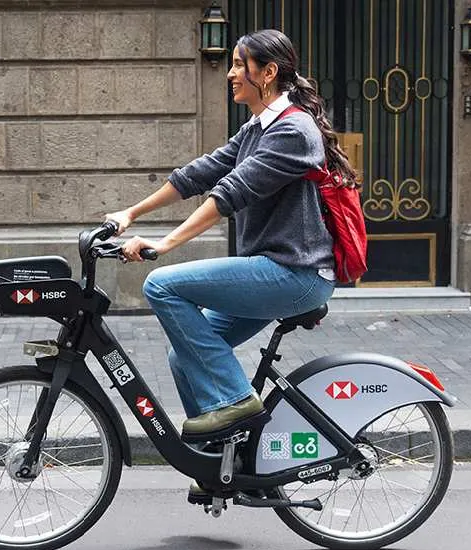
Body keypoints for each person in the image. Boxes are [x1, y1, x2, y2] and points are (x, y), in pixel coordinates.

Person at [105, 29, 359, 442]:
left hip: (295, 273)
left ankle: (237, 402)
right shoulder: (259, 127)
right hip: (270, 270)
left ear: (269, 72)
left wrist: (165, 243)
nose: (231, 73)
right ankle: (220, 455)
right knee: (183, 355)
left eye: (241, 64)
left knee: (162, 286)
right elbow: (201, 173)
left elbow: (231, 192)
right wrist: (130, 213)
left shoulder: (293, 132)